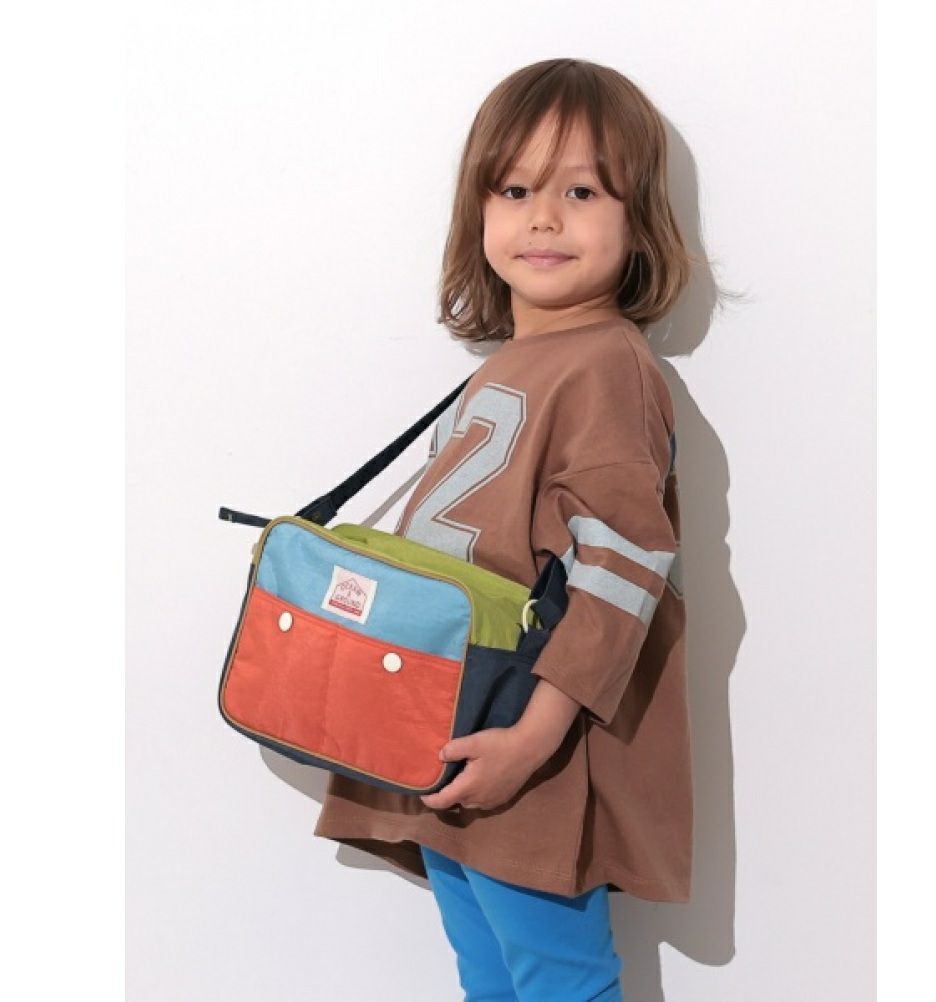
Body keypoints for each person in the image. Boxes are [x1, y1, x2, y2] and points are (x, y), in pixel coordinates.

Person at [313, 57, 696, 1001]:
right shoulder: (511, 362)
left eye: (582, 191)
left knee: (559, 978)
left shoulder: (608, 366)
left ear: (638, 221)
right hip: (453, 724)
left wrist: (533, 736)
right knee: (489, 971)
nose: (544, 218)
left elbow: (624, 564)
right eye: (516, 190)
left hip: (525, 737)